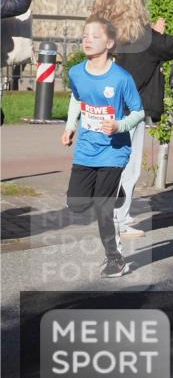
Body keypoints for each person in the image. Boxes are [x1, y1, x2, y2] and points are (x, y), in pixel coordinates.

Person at [106, 0, 173, 237]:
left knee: (114, 162)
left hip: (108, 104)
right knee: (130, 165)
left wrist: (155, 34)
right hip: (131, 108)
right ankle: (119, 221)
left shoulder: (111, 31)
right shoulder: (145, 36)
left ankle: (114, 214)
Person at [61, 17, 144, 278]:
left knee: (102, 207)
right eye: (85, 35)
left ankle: (115, 259)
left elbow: (138, 112)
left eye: (94, 36)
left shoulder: (121, 78)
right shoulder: (76, 72)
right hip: (86, 148)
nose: (87, 40)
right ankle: (116, 192)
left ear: (109, 43)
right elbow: (77, 97)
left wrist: (119, 125)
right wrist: (70, 125)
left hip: (114, 150)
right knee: (76, 203)